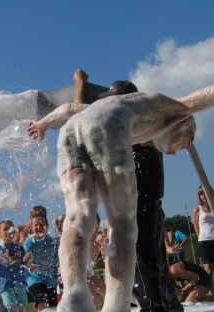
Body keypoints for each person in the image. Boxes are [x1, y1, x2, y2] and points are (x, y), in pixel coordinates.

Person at [28, 81, 214, 312]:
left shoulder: (107, 106)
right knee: (122, 222)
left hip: (70, 130)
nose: (172, 152)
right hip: (109, 126)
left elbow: (68, 110)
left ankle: (73, 298)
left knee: (77, 218)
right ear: (184, 126)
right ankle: (117, 305)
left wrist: (42, 125)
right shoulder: (170, 108)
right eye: (185, 142)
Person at [73, 69, 182, 312]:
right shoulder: (151, 121)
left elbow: (79, 118)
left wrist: (80, 86)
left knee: (139, 255)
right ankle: (169, 305)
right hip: (152, 198)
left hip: (134, 199)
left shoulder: (120, 120)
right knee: (155, 256)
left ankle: (152, 306)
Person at [193, 186, 214, 298]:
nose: (204, 196)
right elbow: (196, 226)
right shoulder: (197, 210)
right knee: (209, 270)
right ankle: (212, 294)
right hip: (204, 240)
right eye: (201, 194)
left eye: (205, 193)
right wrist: (201, 236)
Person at [0, 220, 34, 312]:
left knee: (24, 308)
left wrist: (30, 258)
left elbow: (26, 265)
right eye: (5, 229)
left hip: (20, 283)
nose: (8, 231)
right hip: (5, 285)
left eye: (10, 228)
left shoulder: (19, 247)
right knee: (12, 309)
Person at [24, 214, 59, 311]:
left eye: (41, 225)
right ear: (31, 228)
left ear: (47, 226)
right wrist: (30, 261)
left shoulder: (53, 242)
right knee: (43, 304)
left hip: (50, 280)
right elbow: (25, 263)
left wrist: (57, 276)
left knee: (53, 307)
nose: (39, 227)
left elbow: (56, 261)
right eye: (36, 225)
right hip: (35, 278)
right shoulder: (30, 242)